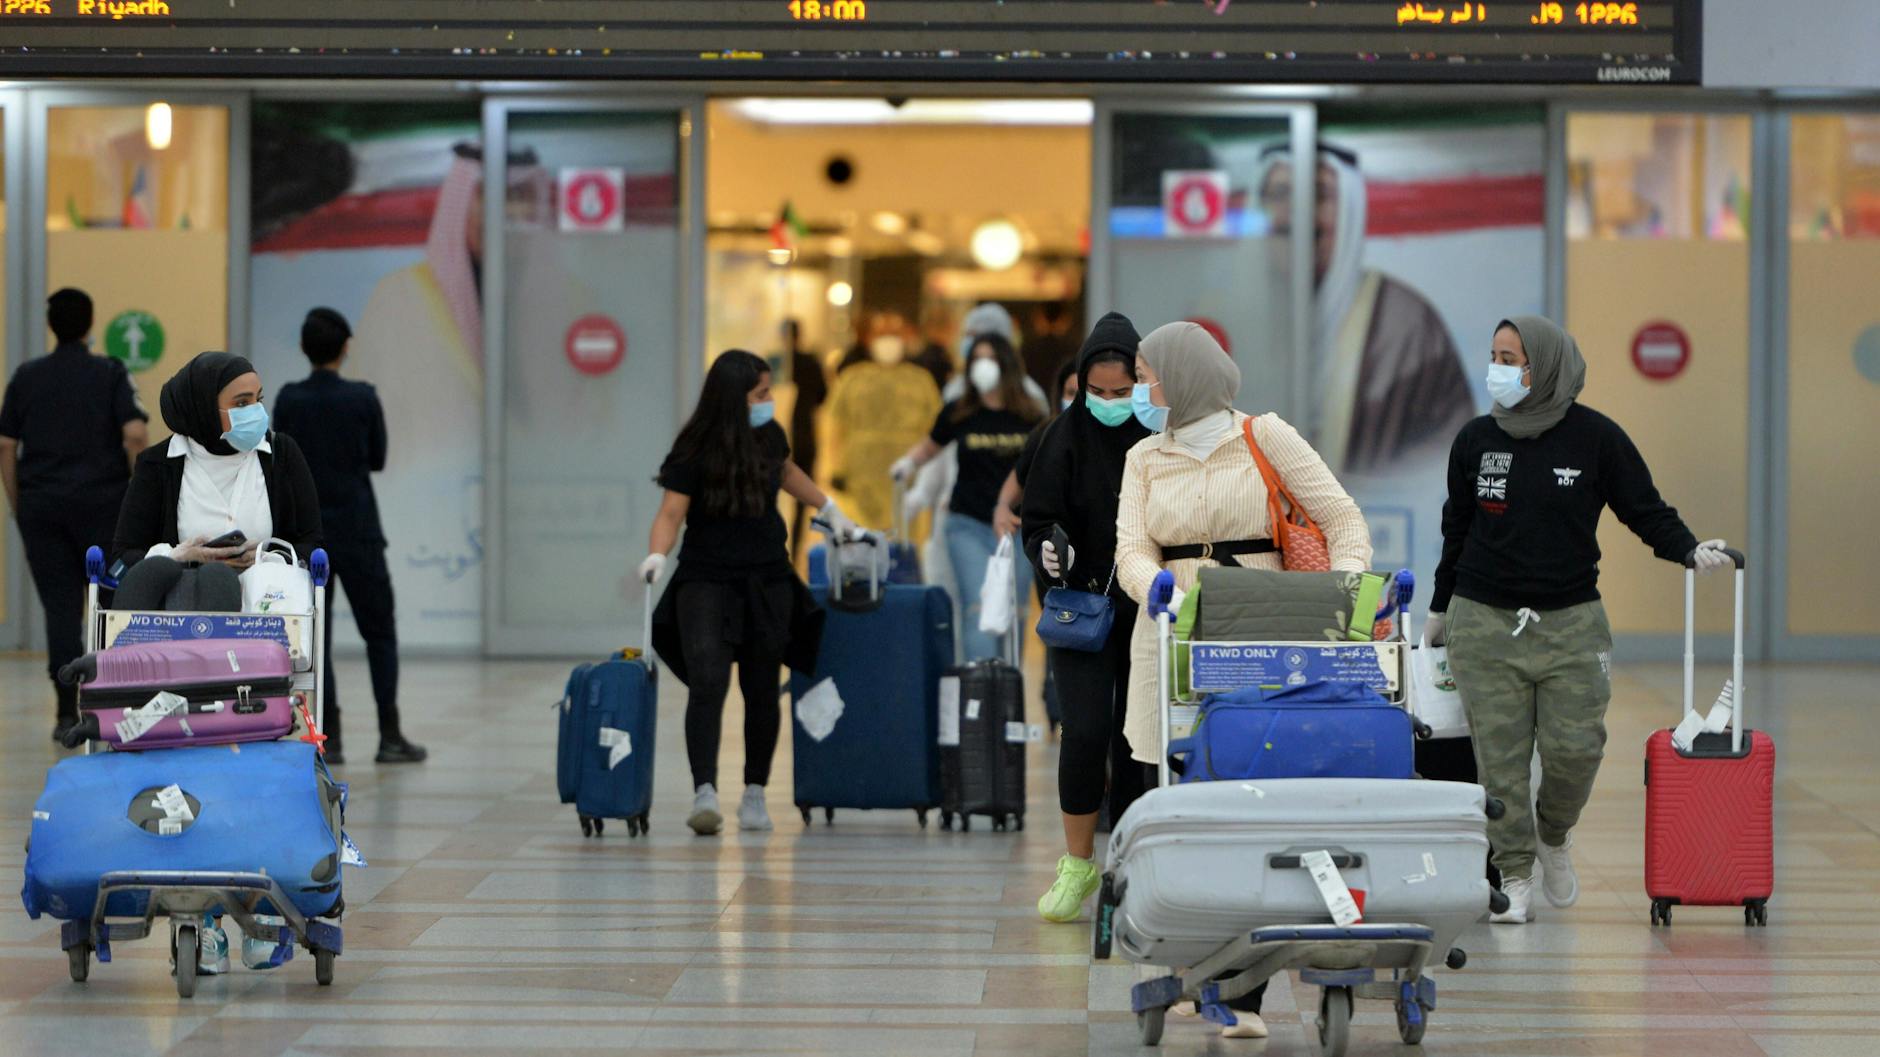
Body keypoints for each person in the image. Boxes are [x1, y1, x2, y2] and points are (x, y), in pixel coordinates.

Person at [1427, 315, 1730, 926]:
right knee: (1501, 761)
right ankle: (1513, 875)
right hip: (1484, 621)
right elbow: (1456, 530)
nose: (1499, 369)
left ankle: (1554, 835)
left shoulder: (1596, 439)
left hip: (1571, 624)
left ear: (1546, 366)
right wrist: (1439, 607)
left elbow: (1644, 509)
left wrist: (1690, 550)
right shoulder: (1475, 440)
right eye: (1494, 355)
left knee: (1575, 750)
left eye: (1511, 357)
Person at [1114, 321, 1371, 1039]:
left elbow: (1342, 517)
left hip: (1264, 633)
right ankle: (1187, 962)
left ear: (1183, 375)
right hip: (1172, 634)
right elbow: (1131, 546)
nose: (1141, 389)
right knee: (1179, 798)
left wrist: (1339, 594)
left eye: (1146, 374)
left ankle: (1247, 992)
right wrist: (1155, 587)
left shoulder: (1265, 435)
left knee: (1254, 795)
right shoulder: (1144, 455)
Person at [644, 350, 860, 836]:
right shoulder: (694, 447)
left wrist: (830, 508)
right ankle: (705, 791)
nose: (770, 401)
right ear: (732, 398)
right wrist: (657, 555)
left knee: (762, 687)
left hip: (767, 578)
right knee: (708, 682)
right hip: (705, 580)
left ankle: (756, 793)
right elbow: (670, 513)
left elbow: (786, 474)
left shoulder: (769, 436)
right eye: (761, 393)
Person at [1019, 314, 1150, 924]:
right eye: (1094, 393)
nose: (1107, 403)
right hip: (1081, 608)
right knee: (1087, 729)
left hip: (1149, 607)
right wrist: (1046, 545)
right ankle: (1077, 864)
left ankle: (1128, 862)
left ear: (1143, 383)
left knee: (1136, 736)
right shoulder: (1060, 439)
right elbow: (1037, 515)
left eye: (1121, 392)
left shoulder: (1160, 438)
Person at [1258, 142, 1474, 474]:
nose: (1296, 213)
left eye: (1318, 195)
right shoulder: (1232, 314)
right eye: (1281, 193)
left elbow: (1446, 459)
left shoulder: (1406, 325)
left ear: (1349, 214)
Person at [274, 308, 427, 766]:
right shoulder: (363, 397)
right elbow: (377, 459)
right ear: (345, 347)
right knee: (379, 632)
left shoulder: (288, 399)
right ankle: (390, 733)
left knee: (318, 635)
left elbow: (281, 462)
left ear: (304, 348)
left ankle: (331, 736)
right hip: (359, 530)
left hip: (309, 535)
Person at [0, 288, 149, 741]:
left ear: (51, 325)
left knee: (60, 606)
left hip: (41, 506)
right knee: (109, 603)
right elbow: (136, 434)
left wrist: (18, 502)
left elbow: (6, 445)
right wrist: (137, 496)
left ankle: (66, 709)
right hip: (103, 505)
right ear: (89, 324)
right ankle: (107, 700)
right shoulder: (109, 372)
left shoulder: (26, 376)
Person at [112, 352, 323, 605]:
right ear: (203, 408)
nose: (257, 411)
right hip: (181, 625)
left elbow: (313, 547)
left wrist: (265, 555)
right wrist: (180, 555)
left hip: (268, 621)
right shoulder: (158, 464)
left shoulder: (282, 454)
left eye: (259, 399)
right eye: (242, 404)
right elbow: (124, 556)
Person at [891, 334, 1043, 662]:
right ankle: (979, 691)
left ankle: (1008, 687)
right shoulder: (959, 411)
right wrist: (907, 466)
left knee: (1014, 611)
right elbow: (930, 447)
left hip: (1017, 528)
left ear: (1006, 364)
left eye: (990, 358)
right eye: (976, 359)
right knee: (978, 607)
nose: (982, 366)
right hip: (967, 525)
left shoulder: (1031, 415)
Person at [996, 356, 1080, 731]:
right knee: (1059, 628)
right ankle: (1056, 703)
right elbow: (1016, 481)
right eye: (1070, 393)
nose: (1077, 400)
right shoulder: (1047, 432)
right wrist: (1002, 510)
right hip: (1053, 552)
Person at [823, 319, 941, 531]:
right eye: (882, 335)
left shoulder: (920, 380)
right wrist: (836, 468)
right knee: (863, 534)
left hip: (906, 471)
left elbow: (936, 429)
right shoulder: (852, 378)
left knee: (904, 535)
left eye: (894, 335)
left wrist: (933, 470)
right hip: (861, 473)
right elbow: (836, 426)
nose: (888, 341)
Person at [780, 319, 829, 563]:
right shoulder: (808, 362)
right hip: (804, 433)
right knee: (801, 498)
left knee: (797, 489)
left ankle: (790, 548)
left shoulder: (778, 362)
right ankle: (795, 548)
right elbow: (823, 395)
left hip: (798, 433)